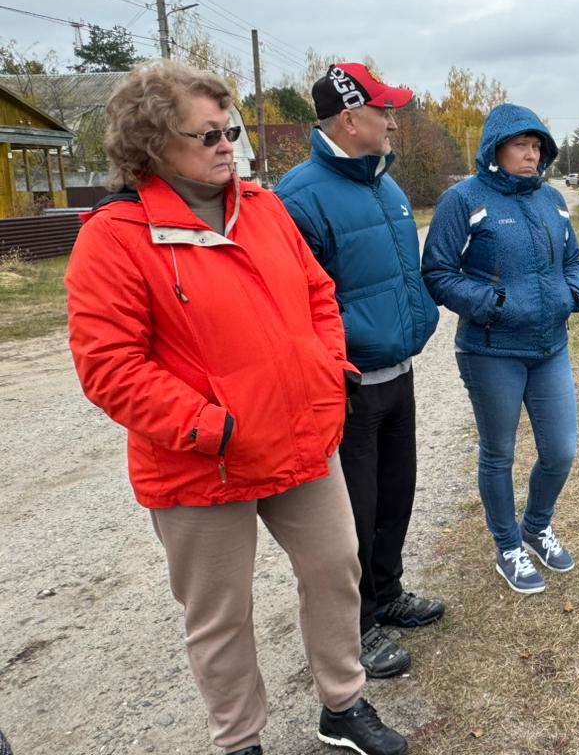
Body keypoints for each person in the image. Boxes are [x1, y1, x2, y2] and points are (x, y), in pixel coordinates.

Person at [65, 61, 406, 755]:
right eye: (208, 135)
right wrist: (211, 427)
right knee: (221, 613)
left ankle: (342, 706)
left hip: (298, 439)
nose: (228, 146)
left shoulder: (265, 209)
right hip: (201, 464)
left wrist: (327, 372)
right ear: (153, 144)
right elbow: (109, 366)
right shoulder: (114, 237)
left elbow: (318, 295)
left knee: (337, 569)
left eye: (232, 131)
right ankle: (239, 740)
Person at [274, 63, 443, 680]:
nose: (394, 121)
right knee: (354, 511)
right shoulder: (299, 197)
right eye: (384, 111)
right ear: (350, 119)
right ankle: (357, 624)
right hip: (347, 385)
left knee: (396, 494)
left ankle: (388, 592)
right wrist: (336, 368)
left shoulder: (386, 186)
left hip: (397, 373)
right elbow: (295, 306)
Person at [422, 103, 579, 595]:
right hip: (491, 351)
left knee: (560, 450)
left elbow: (572, 259)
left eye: (537, 147)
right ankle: (508, 544)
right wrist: (492, 303)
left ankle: (536, 526)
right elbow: (438, 272)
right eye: (522, 145)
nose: (532, 155)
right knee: (500, 452)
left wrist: (572, 293)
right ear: (496, 148)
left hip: (549, 345)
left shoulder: (552, 201)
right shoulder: (464, 199)